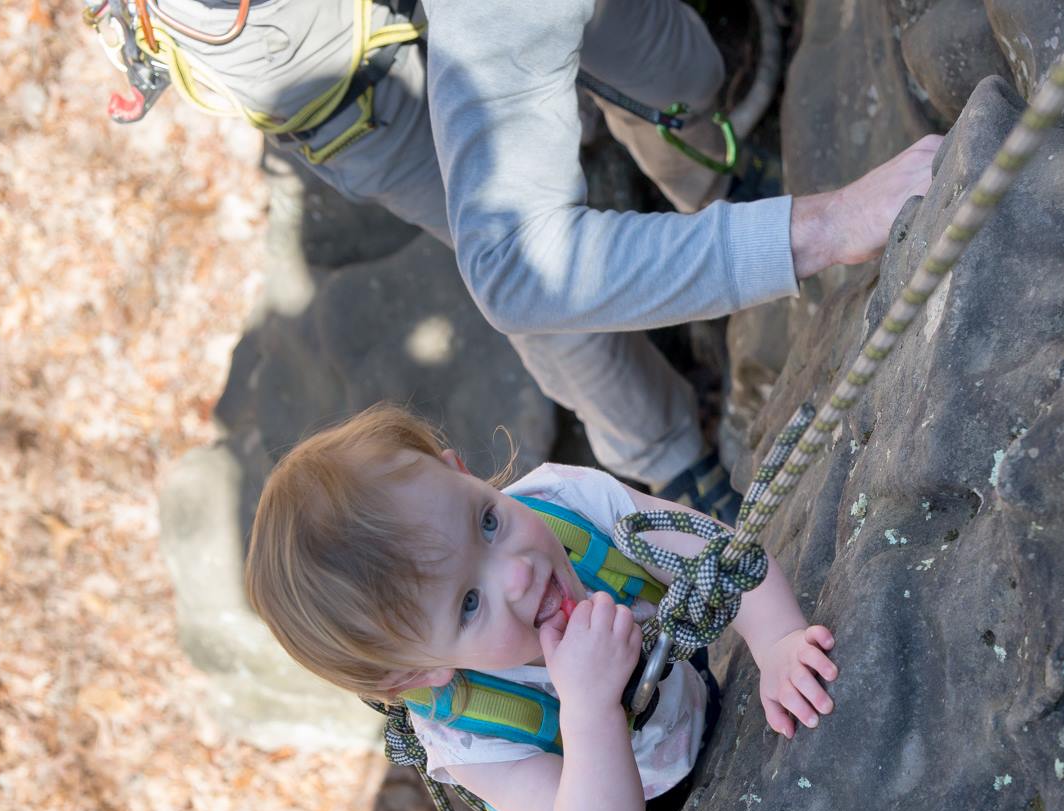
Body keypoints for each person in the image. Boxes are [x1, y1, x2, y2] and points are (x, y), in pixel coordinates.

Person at [125, 0, 941, 520]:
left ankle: (708, 166)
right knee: (525, 276)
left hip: (321, 65)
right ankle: (670, 457)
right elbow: (522, 266)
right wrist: (826, 228)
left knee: (671, 67)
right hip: (334, 84)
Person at [242, 403, 838, 811]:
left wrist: (778, 639)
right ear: (414, 674)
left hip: (675, 691)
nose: (518, 575)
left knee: (687, 675)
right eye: (469, 604)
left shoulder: (571, 506)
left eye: (487, 523)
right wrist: (588, 711)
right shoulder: (467, 733)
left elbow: (715, 555)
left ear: (462, 472)